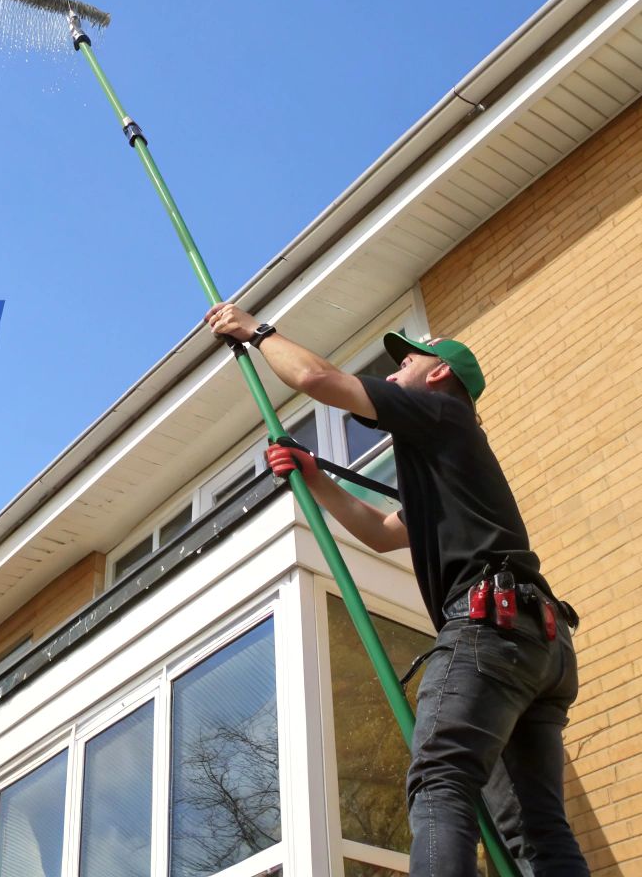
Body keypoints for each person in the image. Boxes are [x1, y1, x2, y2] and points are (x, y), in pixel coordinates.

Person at [204, 303, 588, 877]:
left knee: (440, 782)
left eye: (407, 362)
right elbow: (383, 534)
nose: (393, 372)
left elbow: (316, 379)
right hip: (541, 643)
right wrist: (316, 479)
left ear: (439, 373)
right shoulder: (448, 456)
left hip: (491, 626)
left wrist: (255, 331)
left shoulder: (439, 412)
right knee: (538, 830)